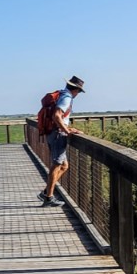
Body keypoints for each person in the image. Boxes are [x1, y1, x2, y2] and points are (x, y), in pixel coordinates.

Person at [39, 76, 84, 207]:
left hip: (53, 132)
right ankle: (48, 198)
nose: (78, 94)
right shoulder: (67, 97)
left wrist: (66, 128)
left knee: (64, 166)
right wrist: (67, 131)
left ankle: (47, 192)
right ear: (76, 89)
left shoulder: (61, 94)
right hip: (58, 134)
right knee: (57, 164)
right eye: (79, 91)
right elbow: (57, 115)